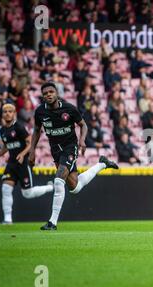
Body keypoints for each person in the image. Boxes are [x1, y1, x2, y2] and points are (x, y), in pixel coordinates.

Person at [29, 82, 119, 231]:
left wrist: (82, 140)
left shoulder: (69, 108)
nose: (48, 95)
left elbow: (83, 125)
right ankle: (102, 164)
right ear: (43, 97)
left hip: (70, 147)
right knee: (74, 187)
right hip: (55, 151)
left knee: (58, 180)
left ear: (56, 93)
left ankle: (52, 222)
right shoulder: (40, 112)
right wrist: (32, 150)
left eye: (51, 92)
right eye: (45, 93)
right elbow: (37, 130)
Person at [0, 104, 54, 224]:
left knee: (27, 194)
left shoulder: (19, 127)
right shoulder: (2, 130)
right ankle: (8, 219)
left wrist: (22, 154)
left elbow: (30, 143)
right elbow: (6, 146)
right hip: (12, 164)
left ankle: (50, 187)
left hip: (23, 163)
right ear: (2, 114)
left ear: (14, 113)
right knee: (6, 189)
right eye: (5, 111)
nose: (7, 113)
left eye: (10, 111)